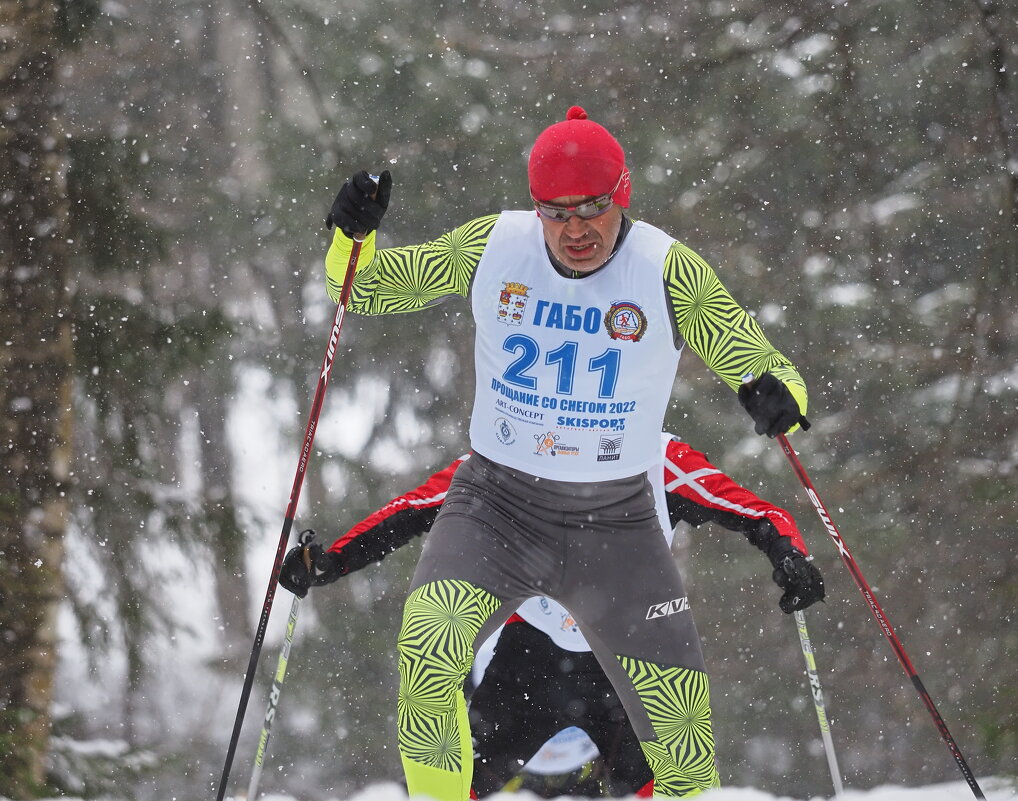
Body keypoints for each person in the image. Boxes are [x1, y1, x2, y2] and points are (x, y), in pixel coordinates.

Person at [315, 105, 814, 799]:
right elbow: (360, 287)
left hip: (616, 522)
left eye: (592, 208)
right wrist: (350, 235)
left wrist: (777, 394)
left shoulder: (668, 270)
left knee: (686, 753)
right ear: (535, 207)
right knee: (428, 653)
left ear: (623, 194)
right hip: (497, 504)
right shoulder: (495, 245)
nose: (576, 229)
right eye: (556, 212)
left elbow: (758, 360)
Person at [280, 434, 822, 798]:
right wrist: (331, 562)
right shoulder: (511, 447)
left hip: (626, 657)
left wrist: (789, 554)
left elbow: (756, 510)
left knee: (668, 777)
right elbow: (418, 507)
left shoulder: (655, 454)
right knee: (462, 776)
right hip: (532, 656)